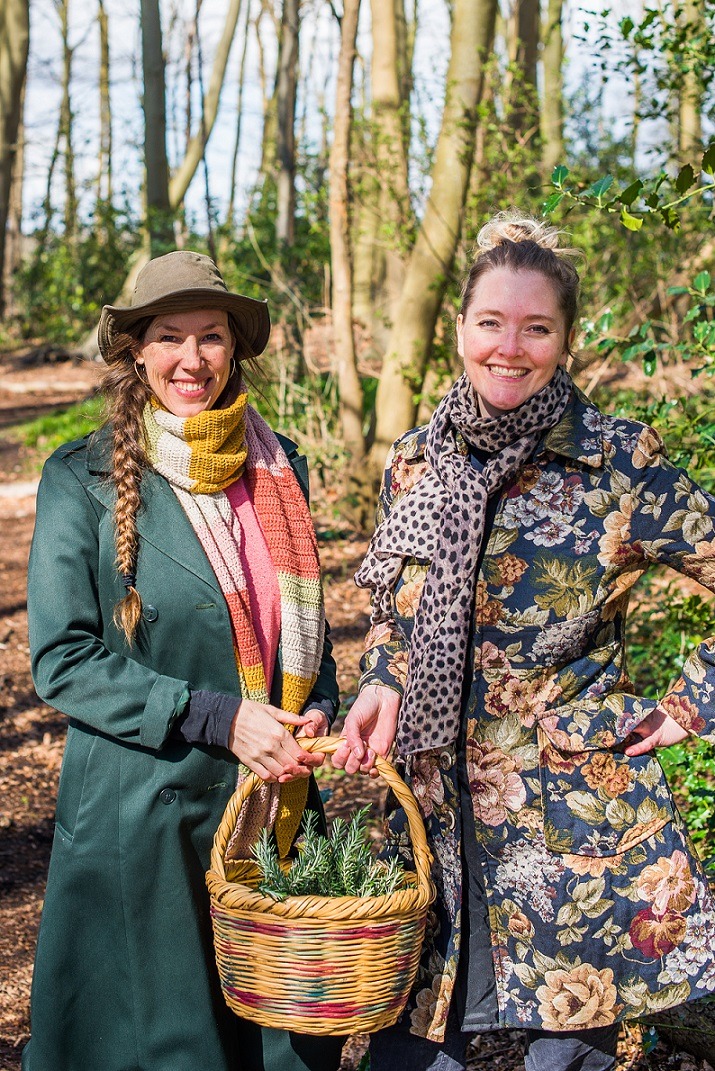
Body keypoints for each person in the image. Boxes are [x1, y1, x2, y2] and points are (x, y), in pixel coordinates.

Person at [333, 213, 715, 1071]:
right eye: (491, 323)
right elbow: (397, 603)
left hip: (566, 813)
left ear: (564, 340)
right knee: (415, 1044)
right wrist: (383, 678)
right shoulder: (416, 460)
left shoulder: (619, 462)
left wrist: (692, 703)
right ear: (460, 329)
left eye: (535, 327)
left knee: (562, 1055)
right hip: (434, 808)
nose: (510, 347)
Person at [24, 250, 346, 1071]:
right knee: (165, 1045)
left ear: (235, 349)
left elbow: (306, 640)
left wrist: (320, 712)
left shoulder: (282, 469)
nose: (191, 359)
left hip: (271, 816)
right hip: (144, 821)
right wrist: (216, 715)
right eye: (170, 337)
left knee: (273, 1046)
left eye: (210, 337)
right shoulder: (81, 476)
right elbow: (62, 658)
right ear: (138, 349)